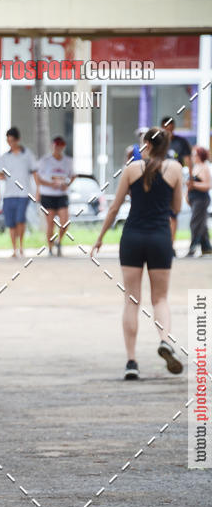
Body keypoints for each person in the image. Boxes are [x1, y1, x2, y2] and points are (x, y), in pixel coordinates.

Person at [91, 128, 184, 381]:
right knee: (160, 298)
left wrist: (100, 238)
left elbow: (114, 207)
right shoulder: (175, 169)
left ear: (147, 145)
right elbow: (176, 207)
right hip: (160, 238)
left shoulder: (131, 169)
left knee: (132, 300)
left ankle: (131, 362)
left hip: (132, 237)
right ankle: (165, 340)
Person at [0, 127, 37, 258]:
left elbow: (35, 172)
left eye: (12, 141)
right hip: (9, 194)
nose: (11, 144)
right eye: (8, 141)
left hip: (24, 193)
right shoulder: (4, 157)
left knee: (20, 219)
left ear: (18, 140)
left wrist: (38, 191)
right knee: (11, 222)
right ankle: (14, 249)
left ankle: (21, 247)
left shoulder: (27, 154)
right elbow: (0, 174)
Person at [36, 136, 75, 256]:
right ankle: (50, 247)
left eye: (60, 146)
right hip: (48, 195)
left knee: (65, 222)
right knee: (50, 223)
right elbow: (37, 178)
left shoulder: (68, 161)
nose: (58, 148)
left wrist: (67, 185)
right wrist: (49, 185)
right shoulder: (45, 161)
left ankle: (59, 241)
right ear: (52, 146)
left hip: (62, 195)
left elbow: (73, 175)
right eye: (56, 146)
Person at [161, 116, 192, 253]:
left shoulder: (181, 142)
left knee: (173, 213)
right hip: (160, 182)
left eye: (171, 128)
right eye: (166, 129)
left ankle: (170, 244)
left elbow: (188, 160)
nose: (169, 131)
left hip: (175, 182)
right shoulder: (159, 142)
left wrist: (191, 178)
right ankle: (162, 243)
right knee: (162, 215)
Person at [186, 146, 212, 257]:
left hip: (201, 199)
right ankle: (206, 247)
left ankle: (193, 247)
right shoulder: (195, 167)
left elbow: (208, 185)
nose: (193, 157)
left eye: (194, 154)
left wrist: (194, 184)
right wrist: (187, 196)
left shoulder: (204, 167)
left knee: (195, 223)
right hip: (194, 199)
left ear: (200, 155)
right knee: (202, 224)